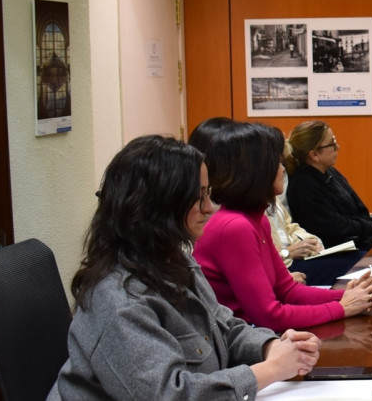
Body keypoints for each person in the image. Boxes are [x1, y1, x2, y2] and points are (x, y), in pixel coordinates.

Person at [48, 135, 321, 400]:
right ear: (162, 205)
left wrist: (271, 347)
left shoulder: (175, 259)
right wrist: (271, 369)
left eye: (208, 194)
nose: (210, 208)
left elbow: (224, 327)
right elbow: (168, 394)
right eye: (198, 197)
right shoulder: (118, 300)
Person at [194, 122, 372, 331]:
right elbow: (270, 316)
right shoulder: (235, 227)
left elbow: (288, 291)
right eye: (277, 162)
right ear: (256, 171)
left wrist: (351, 295)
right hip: (243, 343)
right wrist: (342, 307)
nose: (283, 170)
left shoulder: (254, 218)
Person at [285, 120, 372, 255]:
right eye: (332, 143)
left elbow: (359, 209)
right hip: (338, 250)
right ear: (314, 155)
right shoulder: (303, 185)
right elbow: (333, 226)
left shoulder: (330, 172)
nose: (338, 147)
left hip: (359, 241)